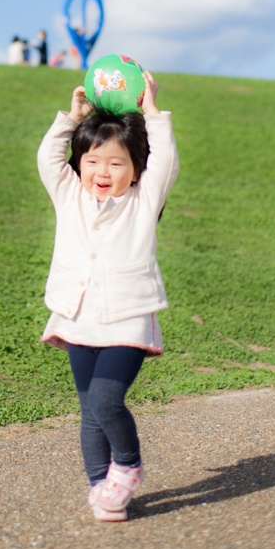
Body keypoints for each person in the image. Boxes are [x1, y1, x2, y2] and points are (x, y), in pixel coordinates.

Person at [37, 72, 179, 522]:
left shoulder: (143, 200)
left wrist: (153, 115)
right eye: (94, 161)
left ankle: (128, 466)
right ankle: (103, 488)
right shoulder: (69, 195)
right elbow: (46, 160)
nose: (102, 172)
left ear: (136, 168)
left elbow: (167, 163)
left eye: (116, 164)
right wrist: (70, 119)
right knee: (89, 410)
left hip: (127, 317)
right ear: (79, 162)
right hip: (78, 317)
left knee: (105, 401)